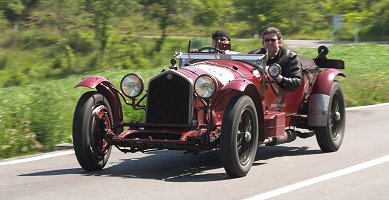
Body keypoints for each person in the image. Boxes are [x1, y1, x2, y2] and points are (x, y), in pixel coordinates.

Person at [249, 27, 302, 91]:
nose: (270, 42)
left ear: (279, 43)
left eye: (273, 40)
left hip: (280, 94)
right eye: (267, 40)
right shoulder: (253, 55)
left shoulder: (290, 57)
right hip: (257, 89)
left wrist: (277, 77)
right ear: (263, 43)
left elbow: (296, 82)